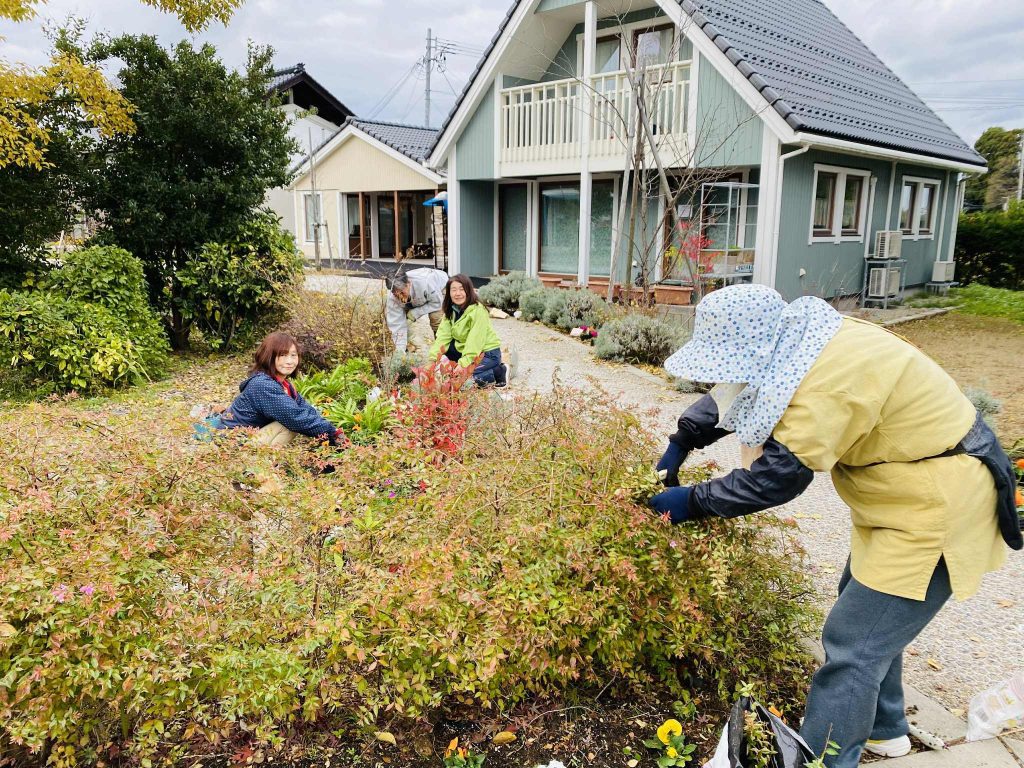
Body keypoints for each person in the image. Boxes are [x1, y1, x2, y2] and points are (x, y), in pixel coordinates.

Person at [648, 284, 1019, 768]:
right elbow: (740, 388)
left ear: (758, 346)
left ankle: (823, 761)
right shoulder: (800, 340)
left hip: (938, 509)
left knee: (854, 644)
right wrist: (685, 437)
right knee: (869, 617)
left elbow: (775, 479)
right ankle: (885, 734)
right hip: (901, 501)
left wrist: (689, 501)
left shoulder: (826, 381)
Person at [200, 331, 342, 447]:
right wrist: (332, 433)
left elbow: (304, 408)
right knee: (289, 424)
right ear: (269, 356)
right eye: (282, 355)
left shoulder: (283, 384)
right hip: (231, 445)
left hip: (244, 438)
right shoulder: (263, 385)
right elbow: (296, 418)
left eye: (293, 355)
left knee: (295, 418)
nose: (290, 361)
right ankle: (257, 467)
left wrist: (333, 430)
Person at [428, 274, 508, 387]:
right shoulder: (451, 311)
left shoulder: (478, 310)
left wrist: (463, 364)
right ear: (449, 293)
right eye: (453, 290)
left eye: (462, 289)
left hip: (487, 354)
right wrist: (432, 360)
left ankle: (499, 371)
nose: (458, 293)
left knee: (464, 382)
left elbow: (475, 341)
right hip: (467, 352)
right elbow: (442, 337)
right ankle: (465, 368)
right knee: (450, 376)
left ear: (468, 291)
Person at [385, 267, 449, 353]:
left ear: (408, 284)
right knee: (401, 322)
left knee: (436, 318)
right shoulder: (392, 297)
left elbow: (436, 303)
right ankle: (406, 350)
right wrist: (400, 353)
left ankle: (443, 350)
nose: (399, 297)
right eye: (396, 294)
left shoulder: (426, 282)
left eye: (402, 292)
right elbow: (397, 324)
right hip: (417, 297)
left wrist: (416, 312)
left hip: (440, 288)